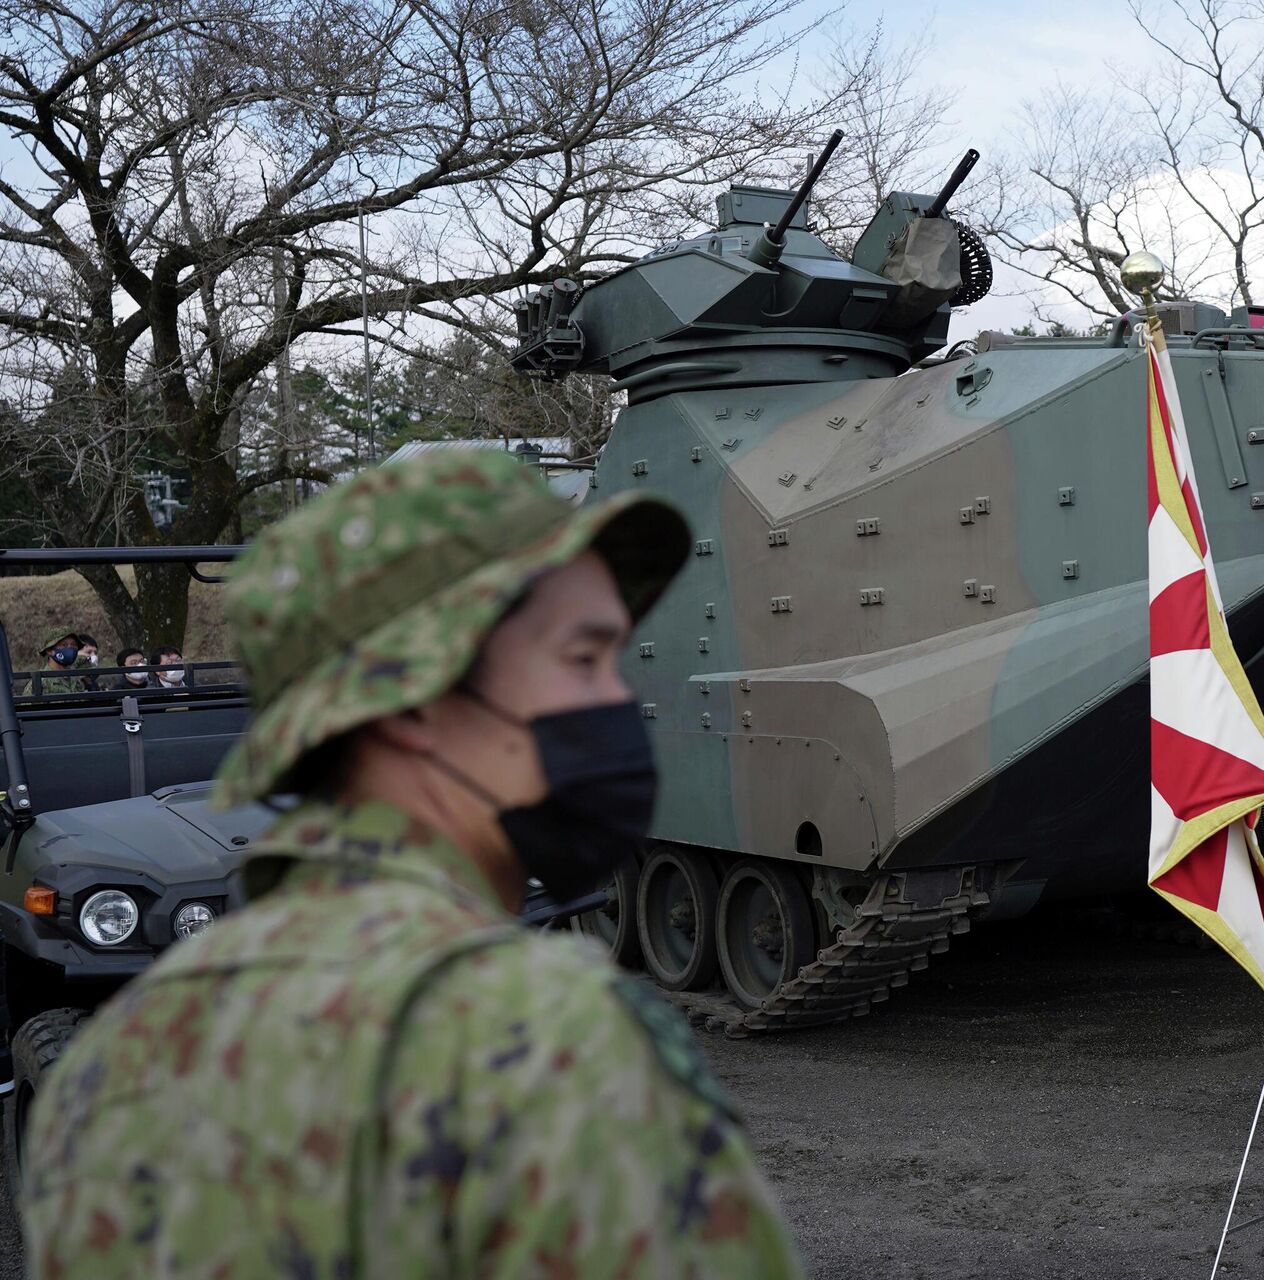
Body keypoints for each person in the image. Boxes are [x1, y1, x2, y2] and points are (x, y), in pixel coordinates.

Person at [20, 451, 804, 1278]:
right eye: (581, 658)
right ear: (416, 703)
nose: (616, 700)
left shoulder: (112, 1071)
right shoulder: (541, 1043)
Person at [33, 629, 85, 695]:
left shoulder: (77, 681)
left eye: (73, 645)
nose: (70, 648)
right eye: (64, 645)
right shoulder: (41, 683)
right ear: (50, 651)